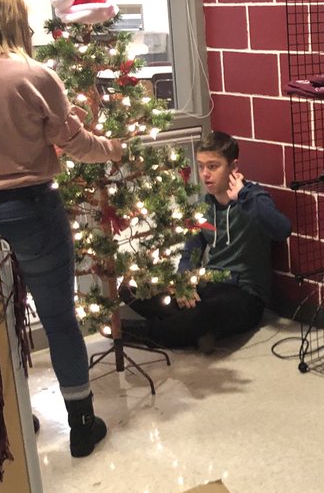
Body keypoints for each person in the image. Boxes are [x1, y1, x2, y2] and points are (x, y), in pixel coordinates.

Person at [0, 0, 124, 459]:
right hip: (30, 209)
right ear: (14, 21)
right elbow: (75, 145)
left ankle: (17, 417)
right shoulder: (33, 75)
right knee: (58, 317)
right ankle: (82, 424)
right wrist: (114, 149)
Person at [125, 131, 291, 351]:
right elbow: (190, 254)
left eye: (213, 166)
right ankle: (200, 331)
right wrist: (184, 284)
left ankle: (136, 332)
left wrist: (243, 197)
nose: (205, 174)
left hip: (245, 295)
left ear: (233, 167)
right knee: (130, 288)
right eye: (201, 166)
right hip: (208, 285)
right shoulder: (203, 207)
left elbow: (283, 230)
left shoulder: (254, 198)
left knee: (203, 312)